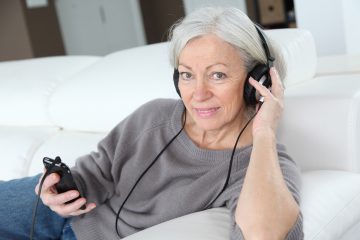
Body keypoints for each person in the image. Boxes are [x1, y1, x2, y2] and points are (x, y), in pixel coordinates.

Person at [0, 6, 303, 240]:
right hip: (62, 215)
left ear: (257, 82)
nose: (198, 94)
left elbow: (264, 234)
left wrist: (264, 132)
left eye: (217, 75)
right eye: (187, 74)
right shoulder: (155, 116)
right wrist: (58, 190)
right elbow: (97, 171)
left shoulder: (265, 164)